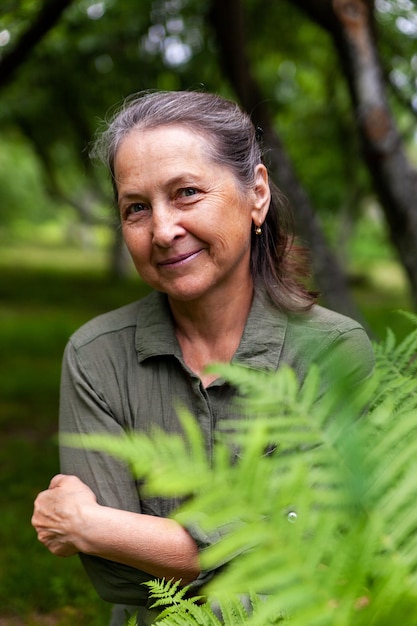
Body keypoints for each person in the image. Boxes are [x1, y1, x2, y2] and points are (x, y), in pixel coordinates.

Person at [31, 90, 374, 626]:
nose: (163, 230)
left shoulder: (332, 353)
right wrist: (257, 553)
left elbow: (319, 563)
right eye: (136, 208)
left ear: (256, 193)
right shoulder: (97, 357)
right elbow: (116, 579)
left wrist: (96, 527)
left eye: (187, 193)